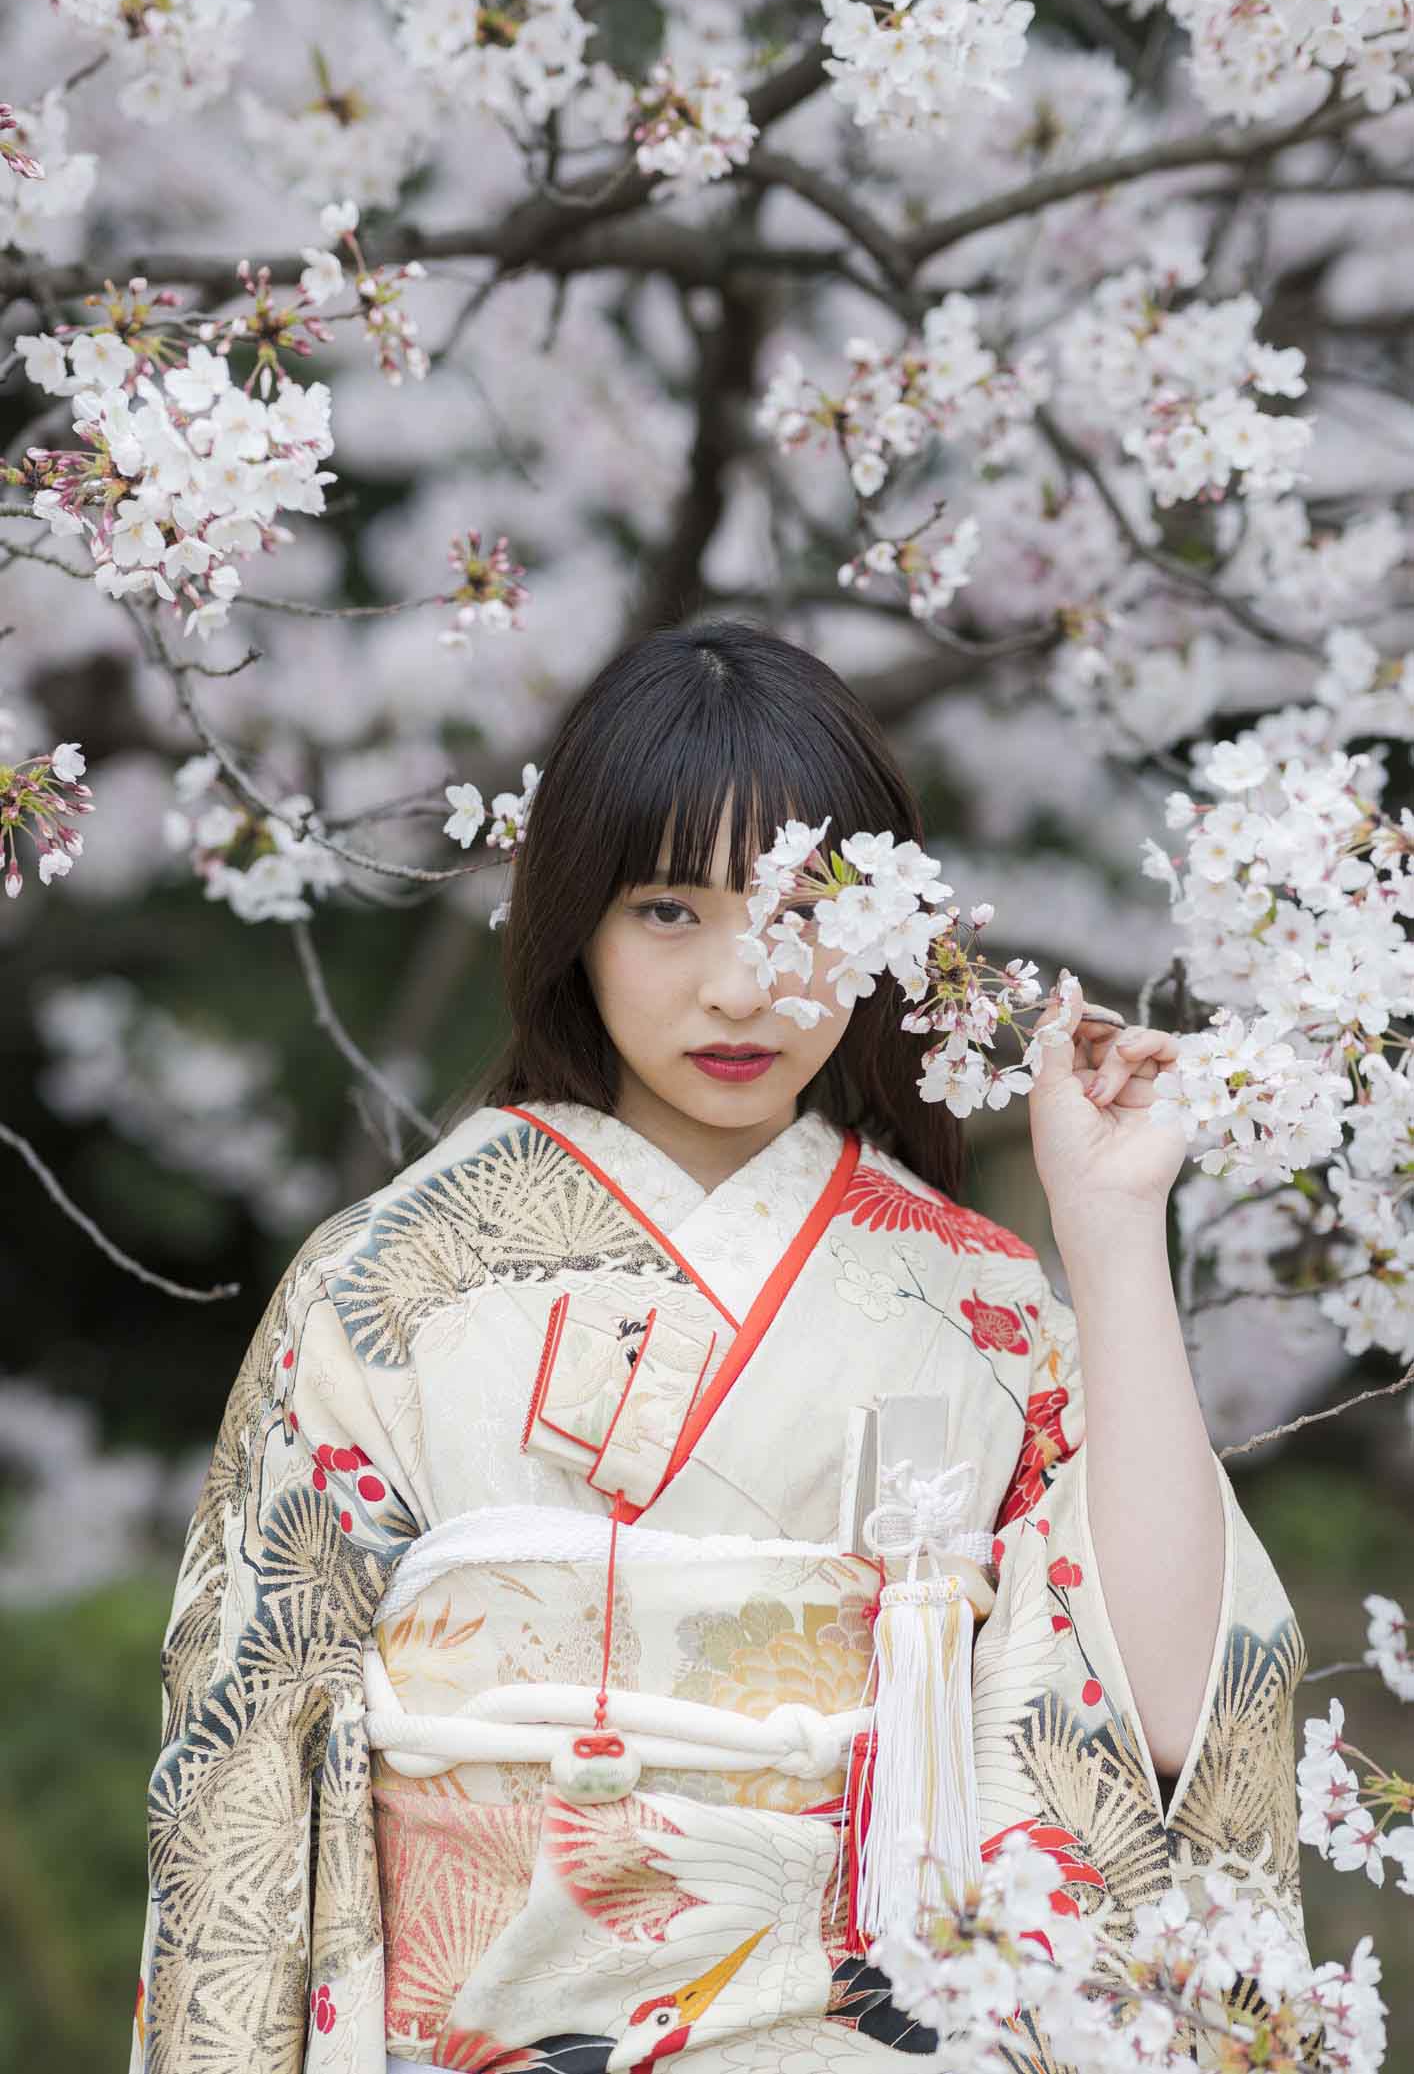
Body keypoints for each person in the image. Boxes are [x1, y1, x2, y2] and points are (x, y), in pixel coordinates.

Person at [129, 619, 1305, 2074]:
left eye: (803, 911)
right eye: (669, 909)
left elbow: (1173, 1727)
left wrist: (1112, 1230)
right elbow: (242, 1782)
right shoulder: (387, 1288)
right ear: (575, 915)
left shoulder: (980, 1300)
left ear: (886, 925)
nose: (743, 985)